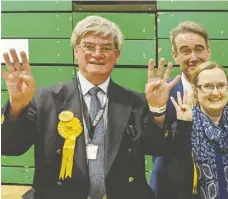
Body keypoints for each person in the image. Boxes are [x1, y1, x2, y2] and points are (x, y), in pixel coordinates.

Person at [1, 15, 172, 199]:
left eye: (106, 48)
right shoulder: (45, 100)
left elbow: (156, 148)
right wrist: (17, 106)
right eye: (89, 47)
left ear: (117, 55)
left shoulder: (134, 102)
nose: (97, 54)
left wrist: (158, 109)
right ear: (76, 51)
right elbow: (10, 147)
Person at [148, 21, 228, 199]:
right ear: (175, 55)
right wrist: (157, 110)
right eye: (185, 51)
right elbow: (153, 143)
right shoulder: (162, 94)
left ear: (208, 51)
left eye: (199, 49)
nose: (193, 57)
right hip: (170, 189)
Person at [167, 61, 228, 199]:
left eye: (221, 86)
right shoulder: (183, 127)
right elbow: (179, 179)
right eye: (207, 86)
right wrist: (183, 126)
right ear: (195, 90)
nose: (216, 92)